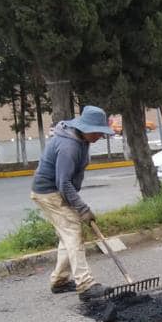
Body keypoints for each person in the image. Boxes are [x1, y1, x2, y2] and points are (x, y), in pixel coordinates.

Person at [31, 105, 115, 301]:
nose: (100, 137)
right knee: (73, 231)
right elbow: (63, 182)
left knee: (67, 234)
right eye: (98, 132)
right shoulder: (69, 146)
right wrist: (82, 209)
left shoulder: (80, 139)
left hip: (56, 191)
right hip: (49, 193)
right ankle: (85, 285)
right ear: (85, 128)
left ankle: (59, 281)